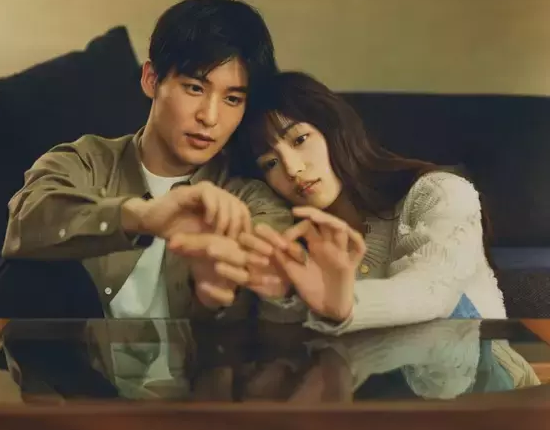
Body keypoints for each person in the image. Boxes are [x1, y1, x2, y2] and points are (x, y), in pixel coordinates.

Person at [0, 0, 294, 321]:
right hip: (81, 350)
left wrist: (217, 286)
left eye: (232, 99)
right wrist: (141, 217)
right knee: (27, 273)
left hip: (196, 353)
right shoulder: (85, 161)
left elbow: (273, 274)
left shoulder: (250, 197)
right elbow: (26, 223)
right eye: (195, 88)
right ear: (151, 80)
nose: (210, 117)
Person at [205, 70, 508, 335]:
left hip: (485, 375)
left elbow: (433, 290)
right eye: (270, 163)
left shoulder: (439, 192)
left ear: (334, 128)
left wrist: (343, 304)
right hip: (366, 380)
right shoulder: (297, 242)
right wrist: (282, 294)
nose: (293, 169)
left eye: (300, 140)